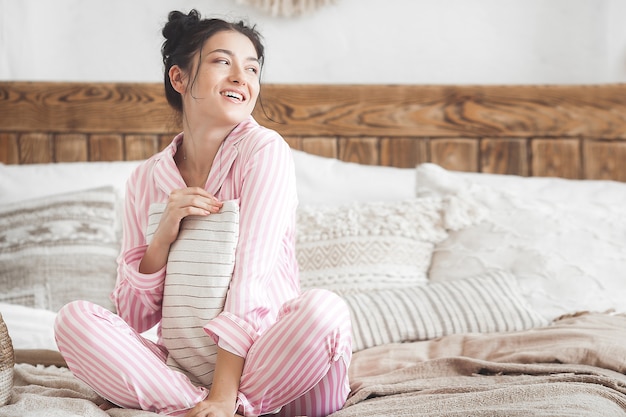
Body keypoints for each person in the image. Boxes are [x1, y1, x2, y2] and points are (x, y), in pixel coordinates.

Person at [54, 9, 352, 417]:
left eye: (251, 68)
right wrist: (163, 236)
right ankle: (200, 407)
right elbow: (135, 318)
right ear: (179, 78)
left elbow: (252, 280)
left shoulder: (264, 151)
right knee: (74, 320)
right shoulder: (146, 180)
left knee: (324, 310)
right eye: (222, 61)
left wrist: (224, 396)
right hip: (186, 371)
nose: (240, 78)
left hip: (279, 370)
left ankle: (225, 407)